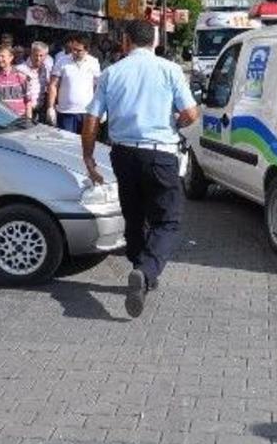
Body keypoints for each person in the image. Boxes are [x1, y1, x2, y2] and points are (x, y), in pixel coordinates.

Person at [82, 20, 199, 318]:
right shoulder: (170, 70)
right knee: (167, 220)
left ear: (126, 40)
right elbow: (190, 113)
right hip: (159, 154)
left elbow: (92, 119)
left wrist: (88, 158)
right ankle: (146, 270)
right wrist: (175, 123)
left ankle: (140, 269)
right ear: (154, 40)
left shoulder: (111, 72)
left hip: (123, 154)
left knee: (134, 216)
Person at [47, 33, 100, 133]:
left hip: (86, 112)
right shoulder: (62, 61)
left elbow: (98, 86)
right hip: (66, 112)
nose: (74, 52)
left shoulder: (94, 62)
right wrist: (50, 107)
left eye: (78, 50)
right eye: (73, 49)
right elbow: (53, 84)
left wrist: (101, 108)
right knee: (66, 145)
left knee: (84, 146)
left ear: (87, 50)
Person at [0, 46, 33, 118]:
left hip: (19, 120)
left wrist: (29, 119)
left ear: (11, 57)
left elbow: (28, 100)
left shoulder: (21, 76)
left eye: (2, 56)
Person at [17, 42, 51, 121]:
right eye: (36, 55)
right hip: (24, 111)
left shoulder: (47, 69)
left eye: (41, 56)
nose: (38, 58)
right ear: (31, 54)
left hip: (41, 110)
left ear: (46, 56)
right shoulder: (20, 69)